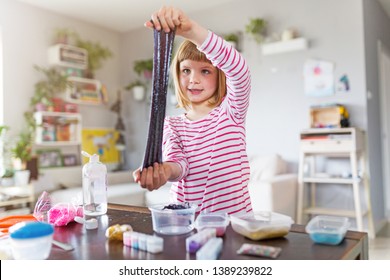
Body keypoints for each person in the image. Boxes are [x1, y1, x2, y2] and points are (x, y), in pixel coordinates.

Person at [133, 6, 252, 215]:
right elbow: (179, 164)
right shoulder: (172, 124)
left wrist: (192, 32)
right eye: (186, 70)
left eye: (205, 71)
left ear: (220, 76)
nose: (193, 79)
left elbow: (239, 71)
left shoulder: (232, 111)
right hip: (187, 223)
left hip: (234, 223)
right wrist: (164, 171)